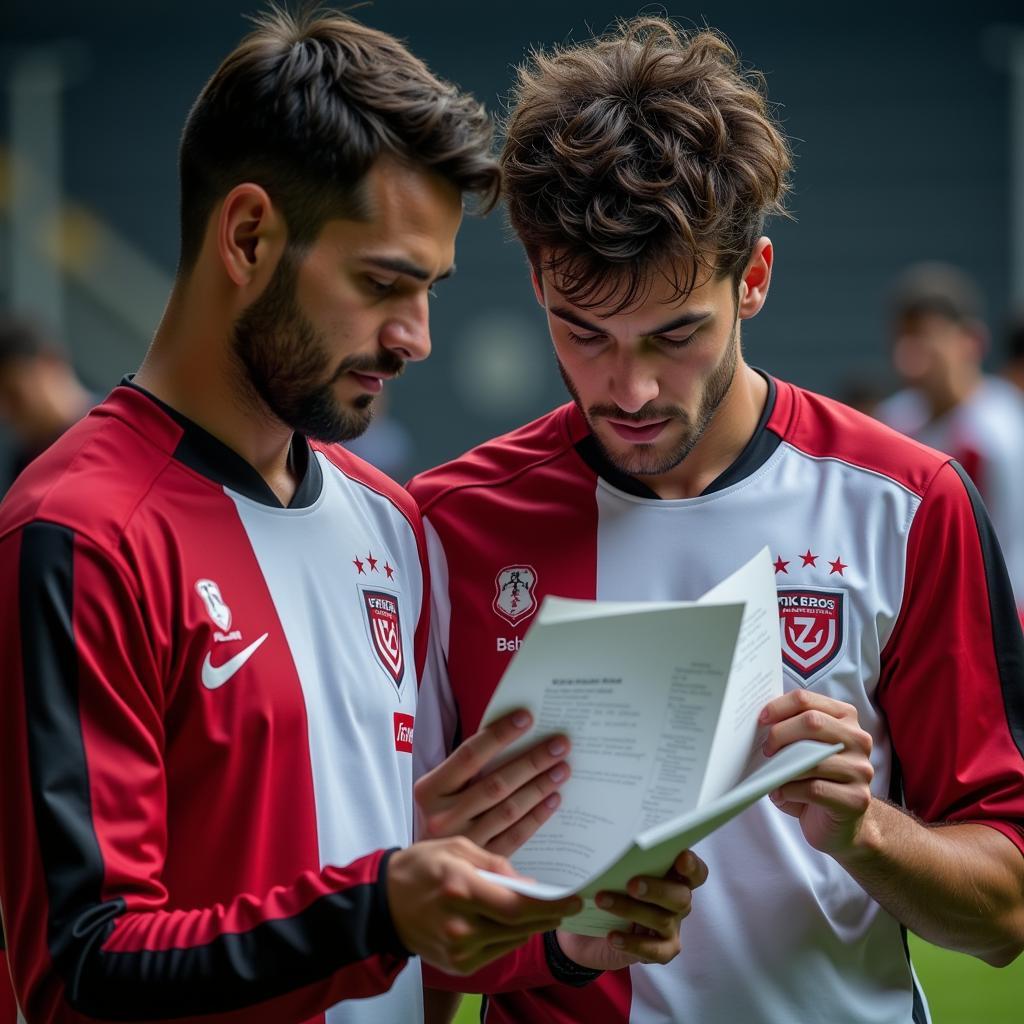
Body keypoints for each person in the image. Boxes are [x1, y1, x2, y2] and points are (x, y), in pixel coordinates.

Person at [408, 17, 1024, 1023]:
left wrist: (862, 828)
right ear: (535, 283)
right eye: (583, 332)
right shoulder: (447, 528)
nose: (632, 385)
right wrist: (556, 946)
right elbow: (406, 933)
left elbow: (1002, 908)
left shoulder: (905, 504)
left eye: (675, 332)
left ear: (756, 278)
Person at [0, 9, 606, 1023]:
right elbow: (79, 974)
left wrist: (567, 939)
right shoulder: (79, 535)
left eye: (429, 289)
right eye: (381, 282)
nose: (414, 336)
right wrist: (378, 912)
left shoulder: (391, 526)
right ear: (247, 236)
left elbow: (403, 940)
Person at [876, 262, 1024, 611]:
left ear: (971, 342)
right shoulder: (892, 423)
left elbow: (1012, 547)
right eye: (904, 339)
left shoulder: (1002, 431)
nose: (910, 357)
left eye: (927, 337)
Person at [0, 314, 94, 494]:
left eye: (13, 394)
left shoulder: (114, 430)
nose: (4, 413)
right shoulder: (22, 465)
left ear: (49, 361)